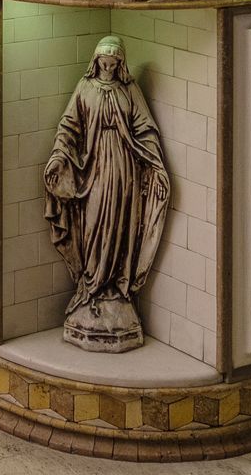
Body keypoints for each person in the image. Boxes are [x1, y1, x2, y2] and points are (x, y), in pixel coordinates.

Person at [42, 35, 171, 353]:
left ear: (121, 64)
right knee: (96, 227)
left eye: (115, 64)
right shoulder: (85, 89)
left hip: (125, 170)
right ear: (96, 62)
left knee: (122, 229)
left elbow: (146, 129)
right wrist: (59, 156)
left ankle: (116, 289)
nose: (109, 68)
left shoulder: (130, 91)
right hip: (95, 169)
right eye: (105, 63)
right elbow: (69, 127)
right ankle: (92, 288)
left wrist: (155, 164)